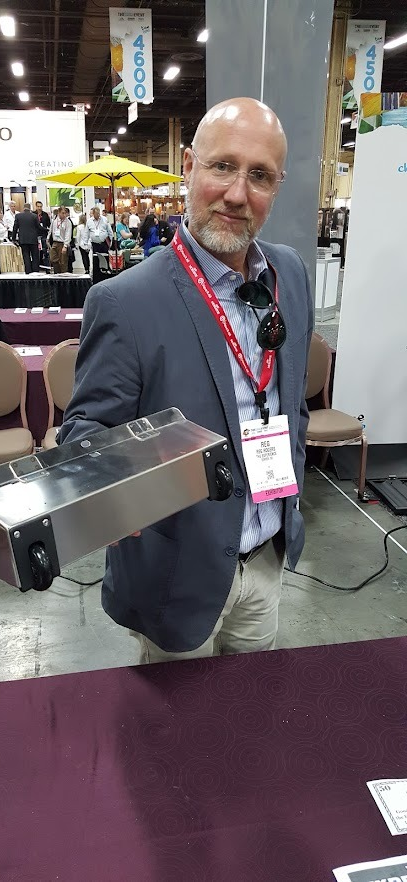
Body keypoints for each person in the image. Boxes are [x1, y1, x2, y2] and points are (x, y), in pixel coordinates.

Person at [59, 97, 313, 664]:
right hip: (177, 572)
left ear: (277, 187)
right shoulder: (124, 301)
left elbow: (291, 400)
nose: (237, 194)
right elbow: (86, 434)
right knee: (177, 719)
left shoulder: (290, 275)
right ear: (189, 166)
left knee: (250, 705)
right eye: (223, 166)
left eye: (260, 176)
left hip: (266, 554)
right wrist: (111, 493)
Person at [12, 203, 44, 274]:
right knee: (35, 256)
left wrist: (13, 239)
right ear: (30, 208)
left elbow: (15, 228)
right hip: (33, 239)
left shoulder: (18, 216)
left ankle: (28, 271)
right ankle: (35, 271)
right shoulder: (34, 216)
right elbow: (38, 227)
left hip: (23, 240)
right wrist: (46, 230)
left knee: (26, 256)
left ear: (23, 208)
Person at [48, 206, 72, 273]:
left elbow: (68, 234)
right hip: (55, 242)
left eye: (65, 213)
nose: (64, 215)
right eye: (62, 213)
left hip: (62, 243)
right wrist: (47, 238)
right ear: (58, 213)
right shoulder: (54, 221)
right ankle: (56, 274)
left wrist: (65, 246)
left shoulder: (68, 222)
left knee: (63, 262)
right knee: (53, 259)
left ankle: (63, 275)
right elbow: (51, 230)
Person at [33, 200, 51, 266]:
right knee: (36, 251)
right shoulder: (33, 214)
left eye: (40, 206)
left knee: (45, 251)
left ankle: (46, 266)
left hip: (44, 234)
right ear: (36, 206)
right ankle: (37, 265)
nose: (39, 208)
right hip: (35, 235)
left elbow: (49, 224)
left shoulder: (45, 215)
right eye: (38, 206)